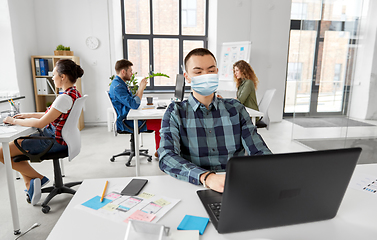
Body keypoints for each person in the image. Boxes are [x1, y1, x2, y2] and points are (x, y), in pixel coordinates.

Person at [158, 48, 272, 193]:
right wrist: (207, 177)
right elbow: (166, 156)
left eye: (211, 71)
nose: (205, 76)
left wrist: (271, 170)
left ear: (217, 72)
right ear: (187, 77)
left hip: (234, 186)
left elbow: (259, 150)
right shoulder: (176, 112)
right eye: (198, 72)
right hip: (194, 185)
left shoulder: (235, 109)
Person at [0, 59, 83, 206]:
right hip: (61, 139)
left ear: (62, 76)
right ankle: (30, 185)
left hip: (53, 141)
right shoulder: (74, 93)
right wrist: (26, 115)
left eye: (54, 74)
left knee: (3, 152)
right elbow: (48, 114)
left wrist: (14, 121)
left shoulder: (63, 98)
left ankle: (38, 178)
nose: (52, 77)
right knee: (16, 149)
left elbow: (41, 123)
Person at [109, 59, 161, 157]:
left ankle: (159, 151)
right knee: (161, 123)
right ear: (123, 72)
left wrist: (140, 89)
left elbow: (131, 99)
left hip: (129, 116)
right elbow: (134, 105)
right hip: (127, 121)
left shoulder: (120, 83)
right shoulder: (118, 87)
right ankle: (160, 153)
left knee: (158, 120)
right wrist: (141, 89)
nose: (132, 73)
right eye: (130, 71)